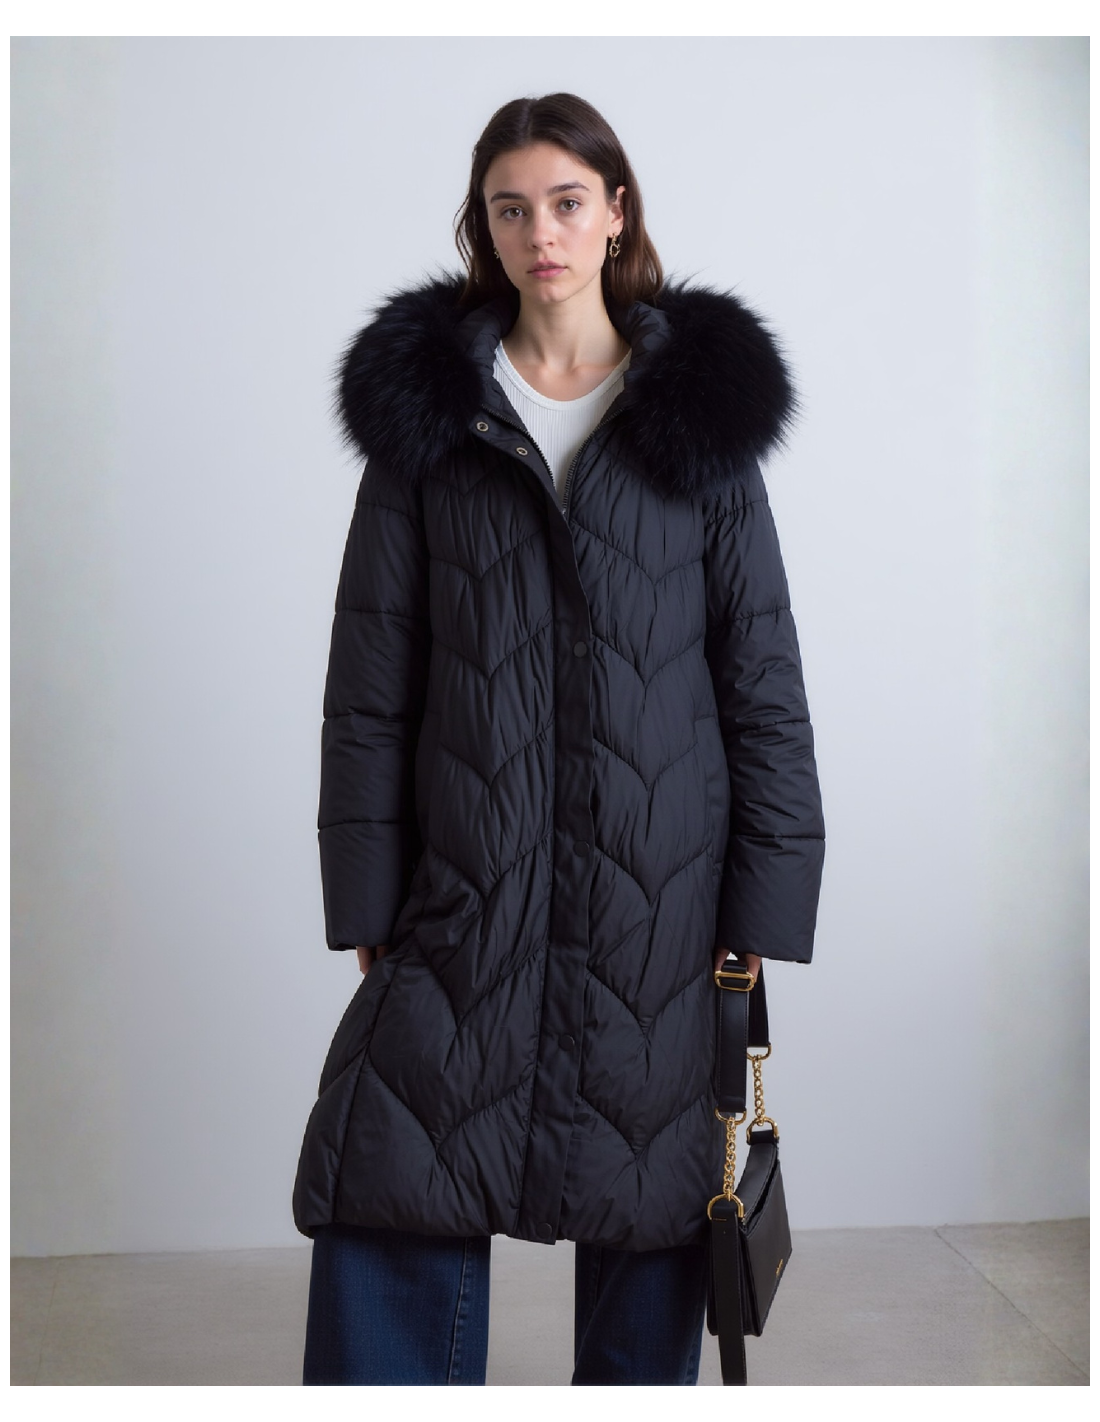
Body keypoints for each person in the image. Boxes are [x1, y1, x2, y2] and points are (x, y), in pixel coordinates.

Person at [293, 91, 825, 1386]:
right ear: (482, 227)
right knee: (392, 1178)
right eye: (511, 208)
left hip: (661, 904)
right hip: (464, 890)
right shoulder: (428, 425)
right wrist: (365, 890)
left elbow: (761, 677)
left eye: (567, 202)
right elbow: (371, 681)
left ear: (616, 214)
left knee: (650, 1213)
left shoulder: (698, 425)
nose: (542, 232)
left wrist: (763, 900)